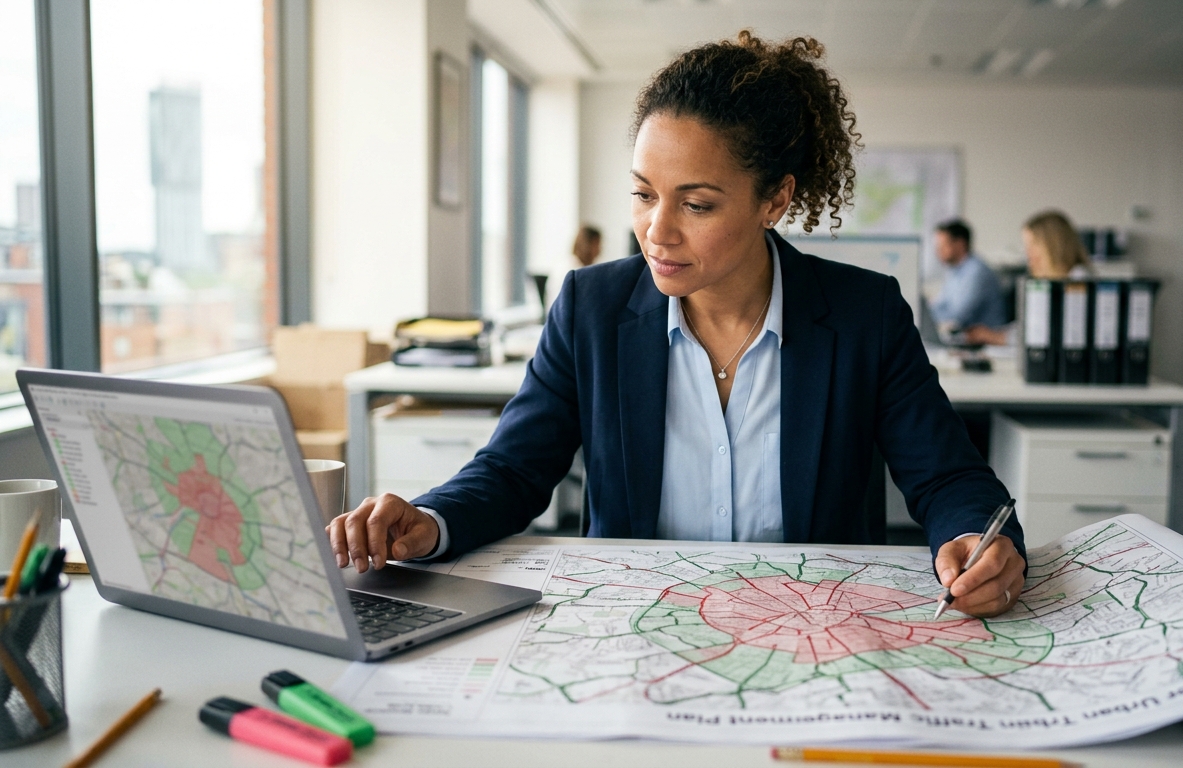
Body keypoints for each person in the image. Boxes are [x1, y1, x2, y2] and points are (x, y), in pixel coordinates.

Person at [329, 31, 1026, 618]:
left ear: (774, 200)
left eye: (695, 204)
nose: (655, 232)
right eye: (642, 194)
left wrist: (979, 538)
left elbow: (947, 477)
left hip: (807, 629)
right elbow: (513, 470)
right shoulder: (590, 308)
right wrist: (430, 521)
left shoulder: (863, 313)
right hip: (636, 625)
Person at [963, 209, 1091, 347]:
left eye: (1033, 245)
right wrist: (994, 333)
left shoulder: (1078, 283)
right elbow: (1031, 326)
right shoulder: (1051, 282)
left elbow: (1048, 334)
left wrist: (995, 336)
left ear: (1053, 245)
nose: (1028, 253)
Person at [928, 219, 1006, 329]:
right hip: (965, 337)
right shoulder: (953, 270)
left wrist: (929, 316)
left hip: (987, 341)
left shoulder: (977, 272)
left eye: (943, 246)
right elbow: (941, 305)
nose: (938, 251)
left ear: (960, 244)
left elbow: (958, 317)